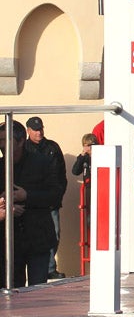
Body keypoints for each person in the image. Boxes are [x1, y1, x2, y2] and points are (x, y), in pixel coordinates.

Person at [0, 120, 62, 288]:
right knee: (12, 292)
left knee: (37, 291)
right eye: (1, 140)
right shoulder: (0, 166)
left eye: (8, 140)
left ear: (21, 141)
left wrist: (27, 195)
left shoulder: (41, 163)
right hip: (9, 243)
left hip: (37, 238)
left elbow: (55, 195)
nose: (3, 145)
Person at [24, 116, 66, 280]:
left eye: (41, 128)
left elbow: (61, 174)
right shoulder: (24, 149)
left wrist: (59, 193)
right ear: (28, 131)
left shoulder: (52, 148)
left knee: (54, 234)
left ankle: (50, 267)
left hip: (51, 200)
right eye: (35, 129)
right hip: (31, 202)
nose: (39, 132)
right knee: (33, 237)